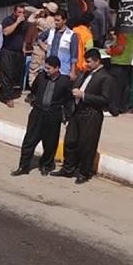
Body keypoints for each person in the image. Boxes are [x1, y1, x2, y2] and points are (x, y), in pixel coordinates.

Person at [53, 48, 113, 184]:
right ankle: (68, 168)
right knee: (70, 141)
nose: (87, 64)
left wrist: (84, 95)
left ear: (97, 61)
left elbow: (105, 100)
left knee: (87, 144)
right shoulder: (86, 73)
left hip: (91, 114)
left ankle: (84, 172)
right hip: (77, 111)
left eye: (89, 62)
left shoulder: (105, 77)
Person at [12, 56, 74, 176]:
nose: (46, 70)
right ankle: (23, 166)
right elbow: (34, 90)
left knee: (50, 143)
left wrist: (66, 115)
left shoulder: (65, 82)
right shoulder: (41, 77)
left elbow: (68, 100)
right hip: (38, 113)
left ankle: (46, 165)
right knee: (29, 141)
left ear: (57, 69)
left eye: (49, 68)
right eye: (46, 67)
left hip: (53, 115)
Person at [0, 3, 29, 107]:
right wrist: (17, 22)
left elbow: (25, 35)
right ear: (14, 12)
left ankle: (9, 91)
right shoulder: (8, 20)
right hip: (8, 51)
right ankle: (8, 98)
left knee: (15, 74)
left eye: (23, 12)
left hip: (19, 52)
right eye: (19, 12)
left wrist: (24, 47)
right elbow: (6, 32)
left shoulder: (25, 23)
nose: (21, 14)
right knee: (7, 73)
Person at [38, 11, 78, 80]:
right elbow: (39, 38)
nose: (56, 22)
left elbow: (74, 55)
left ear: (64, 20)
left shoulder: (71, 35)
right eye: (55, 20)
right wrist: (43, 46)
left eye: (58, 20)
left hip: (64, 68)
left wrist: (73, 71)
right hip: (49, 68)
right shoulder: (51, 31)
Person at [26, 2, 58, 89]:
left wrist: (37, 13)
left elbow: (30, 20)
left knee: (34, 70)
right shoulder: (56, 22)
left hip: (39, 49)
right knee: (46, 70)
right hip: (49, 49)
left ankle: (33, 89)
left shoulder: (42, 21)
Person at [107, 29, 133, 116]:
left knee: (116, 88)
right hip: (128, 62)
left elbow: (119, 49)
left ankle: (114, 109)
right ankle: (123, 107)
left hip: (118, 63)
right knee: (125, 87)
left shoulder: (122, 34)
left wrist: (110, 50)